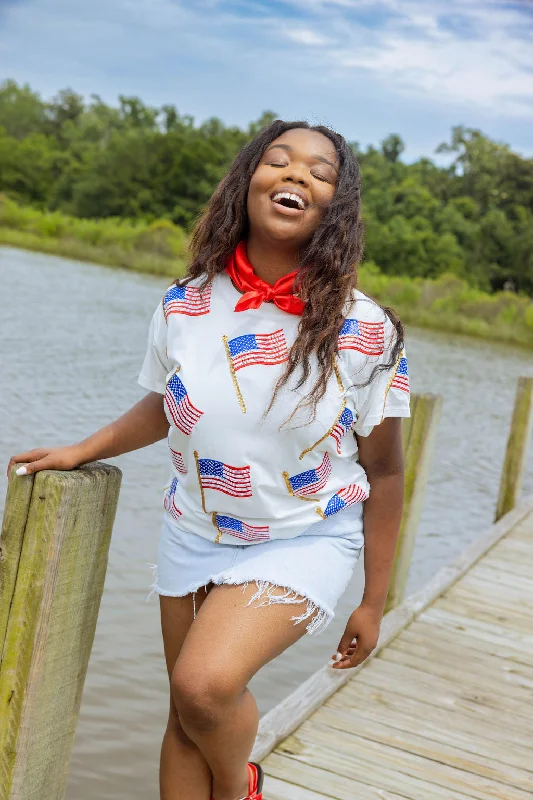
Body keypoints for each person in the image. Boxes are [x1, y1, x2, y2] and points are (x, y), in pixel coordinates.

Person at [7, 121, 410, 800]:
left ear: (336, 205)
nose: (294, 176)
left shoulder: (365, 328)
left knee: (203, 686)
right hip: (193, 528)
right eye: (277, 162)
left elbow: (387, 469)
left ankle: (238, 783)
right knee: (184, 713)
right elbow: (170, 404)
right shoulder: (184, 302)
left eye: (318, 171)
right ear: (248, 180)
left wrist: (373, 601)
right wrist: (85, 449)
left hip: (305, 534)